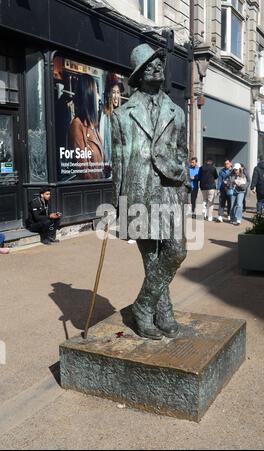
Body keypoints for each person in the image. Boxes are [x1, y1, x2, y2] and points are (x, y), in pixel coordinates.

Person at [112, 43, 190, 340]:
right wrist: (118, 206)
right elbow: (118, 162)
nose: (158, 68)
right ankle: (164, 312)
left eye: (159, 63)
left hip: (169, 190)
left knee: (176, 250)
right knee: (152, 258)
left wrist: (181, 181)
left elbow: (182, 152)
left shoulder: (177, 112)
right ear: (139, 75)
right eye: (150, 65)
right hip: (139, 190)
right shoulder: (122, 114)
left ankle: (143, 307)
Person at [68, 73, 105, 180]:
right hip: (93, 191)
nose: (98, 97)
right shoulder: (77, 125)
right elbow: (83, 171)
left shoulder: (92, 125)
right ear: (88, 95)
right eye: (96, 91)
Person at [100, 72, 124, 175]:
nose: (116, 96)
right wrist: (106, 162)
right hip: (109, 167)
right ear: (109, 94)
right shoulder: (105, 115)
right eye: (113, 92)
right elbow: (102, 140)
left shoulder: (121, 114)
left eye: (118, 92)